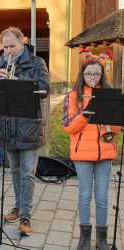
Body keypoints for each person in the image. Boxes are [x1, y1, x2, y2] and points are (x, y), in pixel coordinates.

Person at [0, 27, 50, 235]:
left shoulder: (37, 63)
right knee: (14, 171)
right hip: (8, 126)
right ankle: (17, 207)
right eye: (5, 47)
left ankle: (26, 215)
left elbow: (44, 89)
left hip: (29, 126)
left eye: (12, 46)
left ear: (22, 42)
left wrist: (18, 84)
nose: (8, 51)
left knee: (27, 174)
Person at [63, 59, 120, 250]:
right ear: (83, 74)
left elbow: (118, 126)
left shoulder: (111, 95)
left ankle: (102, 239)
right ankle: (85, 238)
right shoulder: (73, 96)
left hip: (105, 151)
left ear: (102, 75)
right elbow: (69, 127)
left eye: (97, 74)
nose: (93, 77)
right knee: (85, 195)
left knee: (103, 197)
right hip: (82, 153)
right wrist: (86, 113)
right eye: (89, 74)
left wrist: (112, 120)